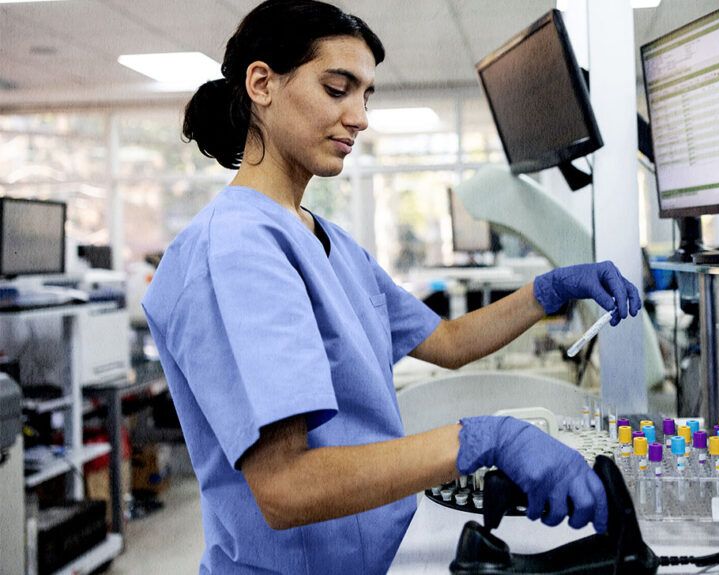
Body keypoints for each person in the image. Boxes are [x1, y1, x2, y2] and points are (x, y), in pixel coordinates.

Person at [141, 1, 641, 573]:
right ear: (262, 84)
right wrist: (483, 439)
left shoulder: (321, 236)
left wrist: (549, 291)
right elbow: (285, 489)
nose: (359, 117)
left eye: (366, 95)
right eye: (337, 88)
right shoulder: (235, 250)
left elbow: (447, 341)